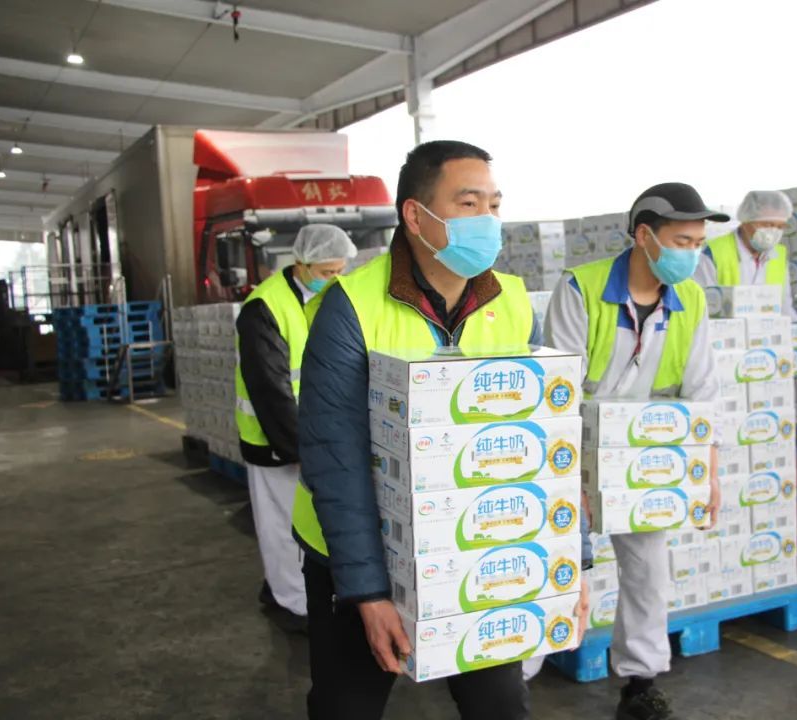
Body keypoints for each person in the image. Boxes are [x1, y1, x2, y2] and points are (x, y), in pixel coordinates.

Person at [293, 141, 587, 720]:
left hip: (478, 542)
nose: (488, 220)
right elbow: (336, 457)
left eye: (494, 205)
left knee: (500, 705)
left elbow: (546, 440)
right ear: (416, 215)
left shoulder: (510, 303)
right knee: (346, 707)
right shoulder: (351, 306)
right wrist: (368, 592)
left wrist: (569, 564)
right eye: (469, 203)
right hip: (357, 553)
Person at [542, 183, 725, 720]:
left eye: (698, 243)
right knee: (557, 565)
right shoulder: (581, 288)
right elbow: (558, 392)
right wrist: (573, 477)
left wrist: (708, 474)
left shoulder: (690, 299)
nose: (692, 254)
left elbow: (702, 393)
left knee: (648, 571)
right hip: (573, 450)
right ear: (645, 236)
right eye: (682, 242)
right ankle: (516, 679)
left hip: (648, 453)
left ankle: (640, 683)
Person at [235, 223, 355, 632]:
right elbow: (269, 388)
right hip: (276, 442)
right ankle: (293, 604)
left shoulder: (325, 299)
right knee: (282, 526)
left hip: (317, 438)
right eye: (326, 272)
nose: (334, 279)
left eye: (339, 271)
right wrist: (298, 450)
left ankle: (278, 588)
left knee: (307, 525)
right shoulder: (264, 307)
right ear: (301, 264)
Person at [693, 190, 797, 318]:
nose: (773, 232)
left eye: (780, 227)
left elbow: (785, 307)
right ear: (746, 221)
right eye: (767, 224)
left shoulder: (778, 256)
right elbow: (701, 307)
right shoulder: (714, 252)